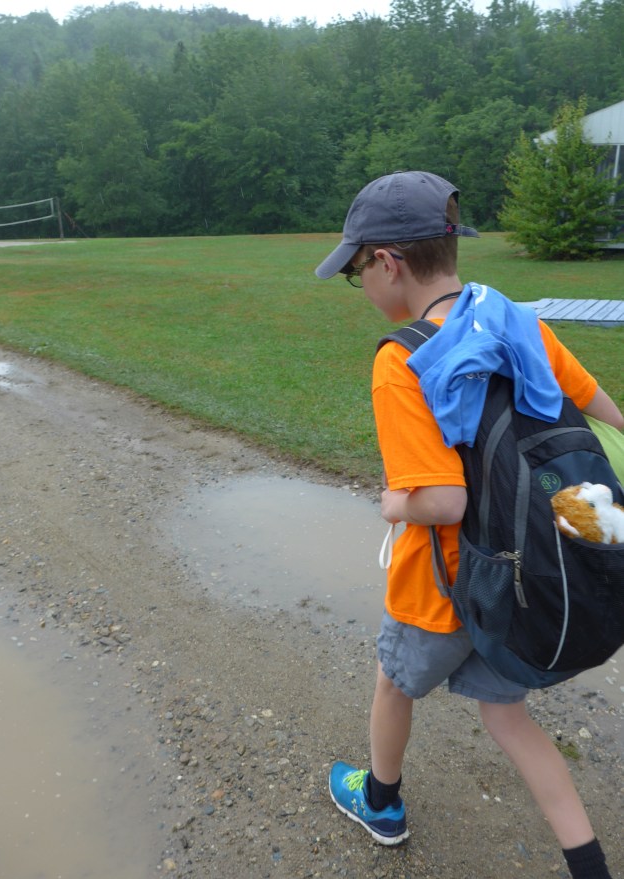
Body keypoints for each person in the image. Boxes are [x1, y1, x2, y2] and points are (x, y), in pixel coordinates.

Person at [314, 171, 623, 878]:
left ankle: (381, 800)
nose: (361, 282)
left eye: (357, 268)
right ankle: (588, 865)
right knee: (507, 717)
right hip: (523, 572)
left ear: (388, 262)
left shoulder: (401, 360)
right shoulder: (518, 320)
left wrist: (394, 502)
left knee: (394, 681)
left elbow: (442, 503)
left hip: (444, 582)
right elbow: (594, 403)